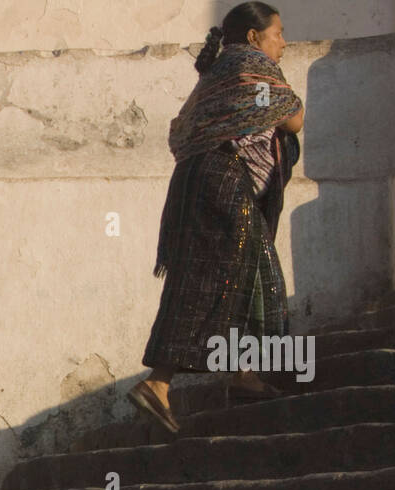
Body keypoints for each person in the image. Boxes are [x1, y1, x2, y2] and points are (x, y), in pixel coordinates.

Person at [128, 2, 304, 435]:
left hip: (196, 180)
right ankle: (158, 383)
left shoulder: (214, 74)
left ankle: (243, 373)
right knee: (219, 275)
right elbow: (293, 117)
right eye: (278, 33)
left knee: (228, 273)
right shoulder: (249, 65)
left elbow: (185, 129)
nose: (283, 42)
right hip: (223, 179)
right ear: (253, 37)